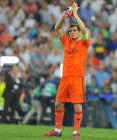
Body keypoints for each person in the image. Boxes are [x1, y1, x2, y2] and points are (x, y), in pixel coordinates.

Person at [45, 2, 90, 139]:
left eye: (74, 30)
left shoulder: (84, 43)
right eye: (70, 30)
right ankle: (58, 130)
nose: (72, 32)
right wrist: (64, 16)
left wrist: (75, 14)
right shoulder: (66, 41)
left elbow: (84, 29)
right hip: (65, 77)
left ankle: (76, 132)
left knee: (77, 107)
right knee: (58, 103)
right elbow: (57, 27)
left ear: (78, 32)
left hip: (77, 77)